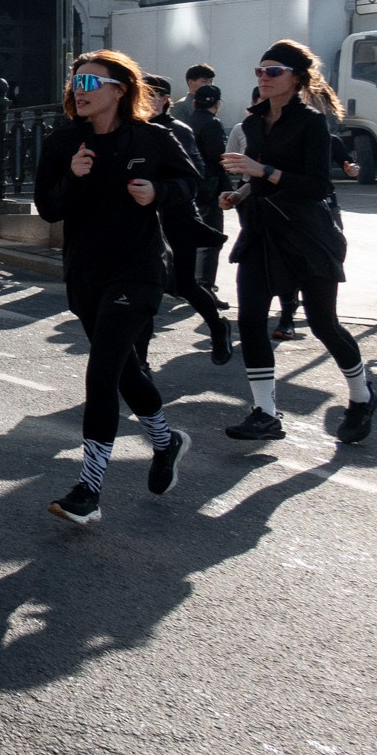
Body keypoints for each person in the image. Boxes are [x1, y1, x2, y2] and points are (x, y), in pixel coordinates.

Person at [34, 50, 199, 527]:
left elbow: (192, 184)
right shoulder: (64, 142)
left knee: (102, 373)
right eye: (75, 82)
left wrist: (159, 194)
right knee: (126, 372)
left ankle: (88, 489)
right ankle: (166, 442)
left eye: (90, 82)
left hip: (139, 269)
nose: (79, 91)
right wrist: (74, 176)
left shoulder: (152, 138)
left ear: (119, 89)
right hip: (87, 273)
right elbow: (48, 208)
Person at [219, 40, 377, 444]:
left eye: (273, 71)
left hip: (307, 234)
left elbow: (318, 186)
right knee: (252, 319)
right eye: (260, 71)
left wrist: (264, 170)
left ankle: (361, 397)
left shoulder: (310, 122)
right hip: (261, 232)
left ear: (295, 78)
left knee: (324, 324)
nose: (264, 78)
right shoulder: (252, 123)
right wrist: (238, 193)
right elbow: (257, 178)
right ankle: (265, 412)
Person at [143, 75, 230, 363]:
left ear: (166, 98)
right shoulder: (131, 129)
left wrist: (160, 189)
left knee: (185, 284)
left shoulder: (177, 130)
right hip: (142, 220)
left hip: (177, 216)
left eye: (154, 95)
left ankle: (218, 327)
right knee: (146, 287)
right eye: (142, 94)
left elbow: (195, 175)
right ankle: (140, 362)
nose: (148, 100)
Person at [186, 84, 232, 298]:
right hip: (208, 187)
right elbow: (219, 157)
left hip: (190, 185)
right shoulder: (213, 124)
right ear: (217, 104)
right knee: (211, 237)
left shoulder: (187, 122)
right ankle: (204, 285)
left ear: (195, 102)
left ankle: (190, 281)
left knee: (191, 235)